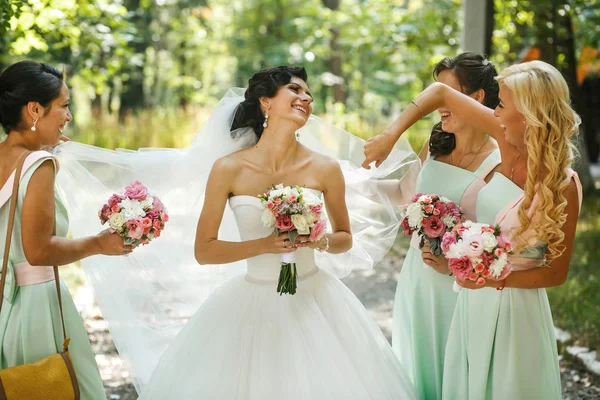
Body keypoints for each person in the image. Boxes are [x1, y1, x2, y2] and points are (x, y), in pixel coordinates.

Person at [366, 60, 581, 399]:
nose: (494, 112)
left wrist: (493, 279)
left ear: (527, 113)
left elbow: (555, 273)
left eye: (501, 104)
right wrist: (390, 136)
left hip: (514, 310)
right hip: (470, 303)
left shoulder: (563, 184)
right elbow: (440, 93)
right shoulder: (506, 140)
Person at [364, 52, 500, 400]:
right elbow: (402, 192)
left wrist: (454, 266)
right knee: (418, 369)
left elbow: (497, 237)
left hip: (458, 285)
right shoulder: (437, 143)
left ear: (476, 98)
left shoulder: (499, 159)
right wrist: (345, 185)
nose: (437, 103)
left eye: (444, 91)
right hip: (417, 277)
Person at [0, 60, 133, 399]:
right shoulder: (39, 165)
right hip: (36, 309)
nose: (69, 116)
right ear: (34, 109)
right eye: (64, 105)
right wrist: (99, 244)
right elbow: (40, 251)